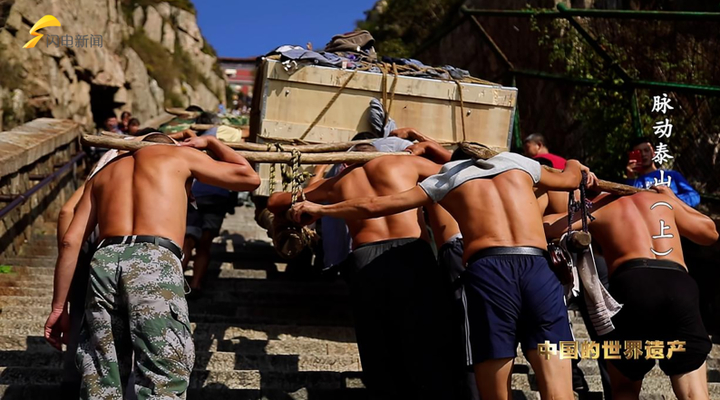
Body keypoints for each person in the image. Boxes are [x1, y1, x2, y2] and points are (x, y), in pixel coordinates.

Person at [291, 145, 594, 400]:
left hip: (490, 273)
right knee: (559, 391)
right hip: (538, 270)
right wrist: (575, 162)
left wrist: (321, 210)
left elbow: (374, 205)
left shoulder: (449, 177)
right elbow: (570, 178)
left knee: (495, 392)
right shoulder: (520, 164)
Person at [45, 133, 260, 399]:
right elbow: (250, 177)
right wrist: (211, 142)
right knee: (162, 374)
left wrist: (59, 308)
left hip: (105, 260)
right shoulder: (180, 155)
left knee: (101, 374)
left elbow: (70, 241)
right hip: (154, 259)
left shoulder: (104, 172)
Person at [268, 143, 461, 400]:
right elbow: (459, 171)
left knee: (377, 340)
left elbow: (275, 201)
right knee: (423, 332)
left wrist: (321, 173)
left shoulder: (338, 181)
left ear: (345, 161)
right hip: (411, 252)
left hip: (365, 257)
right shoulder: (406, 164)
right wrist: (429, 146)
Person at [544, 186, 718, 400]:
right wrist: (673, 198)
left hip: (633, 283)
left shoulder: (599, 207)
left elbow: (547, 227)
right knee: (693, 392)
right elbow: (710, 233)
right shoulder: (662, 201)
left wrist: (581, 210)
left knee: (625, 387)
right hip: (679, 283)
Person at [625, 136, 700, 207]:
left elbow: (694, 196)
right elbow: (631, 205)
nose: (643, 154)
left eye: (646, 150)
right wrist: (630, 177)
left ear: (653, 153)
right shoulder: (635, 183)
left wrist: (670, 200)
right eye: (639, 152)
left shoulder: (672, 175)